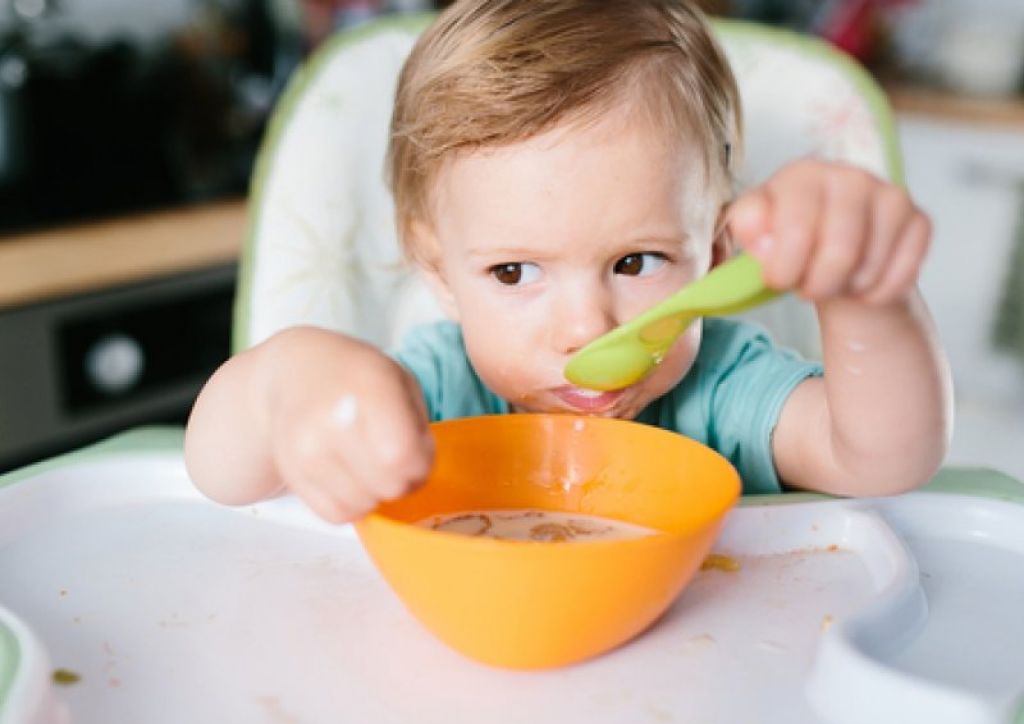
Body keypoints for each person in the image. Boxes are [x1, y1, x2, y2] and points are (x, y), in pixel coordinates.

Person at [184, 0, 952, 523]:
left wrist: (866, 296)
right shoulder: (432, 396)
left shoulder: (723, 389)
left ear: (715, 253)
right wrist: (285, 385)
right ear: (438, 271)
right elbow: (221, 474)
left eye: (637, 261)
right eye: (514, 273)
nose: (586, 327)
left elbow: (884, 459)